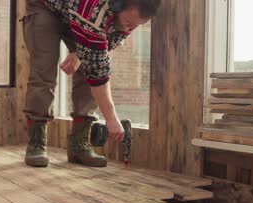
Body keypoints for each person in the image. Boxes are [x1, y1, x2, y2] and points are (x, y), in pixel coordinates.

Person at [22, 0, 161, 167]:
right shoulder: (95, 9)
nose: (128, 28)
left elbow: (102, 48)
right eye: (128, 23)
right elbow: (98, 74)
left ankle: (79, 145)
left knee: (88, 64)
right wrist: (111, 119)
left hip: (77, 11)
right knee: (43, 71)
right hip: (45, 6)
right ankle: (36, 143)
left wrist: (81, 54)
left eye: (135, 25)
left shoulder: (132, 14)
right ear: (118, 5)